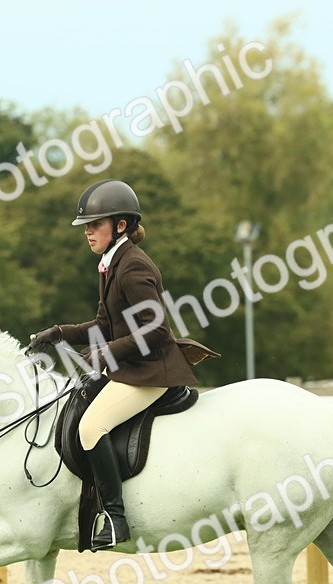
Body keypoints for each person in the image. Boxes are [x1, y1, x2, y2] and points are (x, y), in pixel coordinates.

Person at [29, 179, 206, 552]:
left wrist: (105, 353)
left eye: (96, 224)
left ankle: (114, 516)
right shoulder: (110, 264)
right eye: (87, 226)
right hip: (130, 368)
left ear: (120, 225)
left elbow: (156, 330)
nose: (88, 232)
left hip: (150, 372)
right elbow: (104, 325)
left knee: (92, 427)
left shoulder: (133, 268)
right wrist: (61, 332)